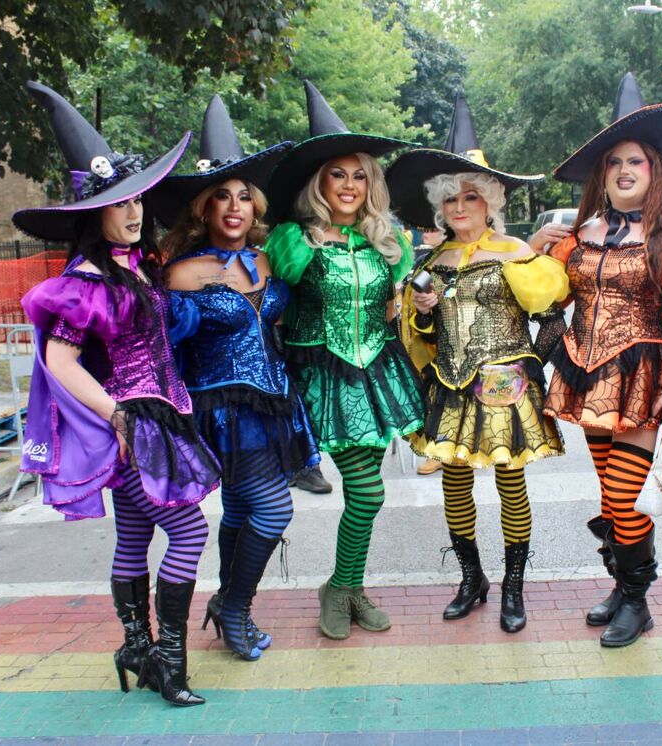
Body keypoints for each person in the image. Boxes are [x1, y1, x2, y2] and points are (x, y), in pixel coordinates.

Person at [14, 82, 220, 706]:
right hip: (134, 426)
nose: (132, 212)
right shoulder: (86, 279)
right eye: (117, 204)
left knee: (134, 537)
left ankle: (136, 647)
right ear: (91, 215)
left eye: (136, 200)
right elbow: (59, 359)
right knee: (186, 535)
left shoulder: (138, 263)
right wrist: (117, 414)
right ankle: (168, 663)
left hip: (160, 413)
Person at [532, 74, 662, 648]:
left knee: (624, 497)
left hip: (642, 379)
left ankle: (637, 601)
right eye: (614, 162)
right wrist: (533, 246)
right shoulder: (579, 234)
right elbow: (552, 295)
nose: (624, 170)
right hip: (588, 376)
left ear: (654, 171)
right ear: (602, 174)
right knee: (608, 490)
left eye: (635, 161)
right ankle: (621, 587)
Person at [389, 90, 567, 632]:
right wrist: (420, 311)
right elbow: (419, 334)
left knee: (511, 484)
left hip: (504, 386)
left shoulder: (515, 250)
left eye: (470, 197)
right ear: (440, 207)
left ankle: (514, 586)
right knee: (454, 484)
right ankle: (473, 579)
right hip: (449, 384)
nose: (460, 207)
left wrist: (515, 256)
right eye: (450, 199)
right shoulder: (432, 260)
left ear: (490, 202)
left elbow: (547, 303)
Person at [149, 95, 317, 662]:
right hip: (220, 411)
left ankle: (229, 603)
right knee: (274, 511)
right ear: (203, 208)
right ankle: (234, 606)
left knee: (246, 512)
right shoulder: (183, 273)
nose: (235, 206)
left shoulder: (270, 260)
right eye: (222, 195)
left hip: (274, 406)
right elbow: (164, 352)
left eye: (245, 196)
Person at [264, 81, 425, 640]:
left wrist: (412, 301)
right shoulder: (294, 238)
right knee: (370, 492)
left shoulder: (389, 240)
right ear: (319, 183)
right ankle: (341, 586)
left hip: (376, 375)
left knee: (366, 494)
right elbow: (262, 301)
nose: (351, 185)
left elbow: (394, 304)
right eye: (339, 174)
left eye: (361, 175)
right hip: (319, 378)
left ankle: (347, 587)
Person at [415, 227, 446, 477]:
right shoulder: (427, 261)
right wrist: (424, 311)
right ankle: (437, 451)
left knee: (511, 478)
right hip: (433, 354)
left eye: (433, 229)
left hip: (495, 374)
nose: (426, 233)